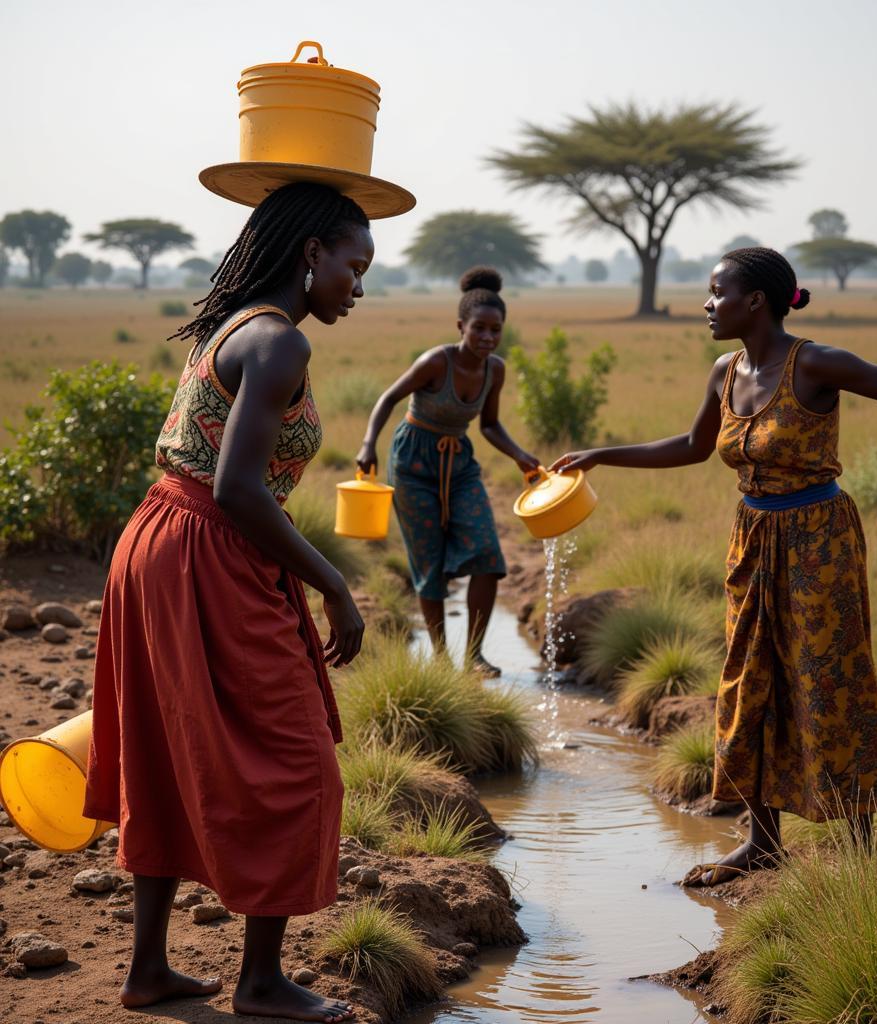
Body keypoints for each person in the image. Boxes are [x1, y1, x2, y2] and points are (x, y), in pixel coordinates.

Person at [552, 246, 877, 886]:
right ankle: (762, 841)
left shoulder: (815, 364)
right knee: (750, 676)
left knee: (830, 678)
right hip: (752, 540)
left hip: (819, 541)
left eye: (716, 291)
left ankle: (862, 846)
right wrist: (598, 454)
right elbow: (694, 447)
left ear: (755, 301)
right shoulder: (724, 371)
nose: (706, 303)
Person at [84, 182, 372, 1022]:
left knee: (167, 747)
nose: (359, 286)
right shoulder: (279, 343)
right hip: (205, 547)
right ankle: (260, 983)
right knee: (301, 762)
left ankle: (148, 971)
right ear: (311, 253)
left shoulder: (236, 321)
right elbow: (242, 489)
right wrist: (336, 585)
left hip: (161, 539)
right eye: (353, 266)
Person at [356, 267, 539, 675]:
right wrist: (369, 443)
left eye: (496, 330)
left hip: (460, 463)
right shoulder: (436, 362)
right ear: (461, 326)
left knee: (488, 556)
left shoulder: (496, 370)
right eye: (480, 329)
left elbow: (489, 424)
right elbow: (388, 398)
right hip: (413, 462)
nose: (488, 338)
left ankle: (473, 656)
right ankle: (440, 660)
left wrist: (520, 455)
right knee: (429, 563)